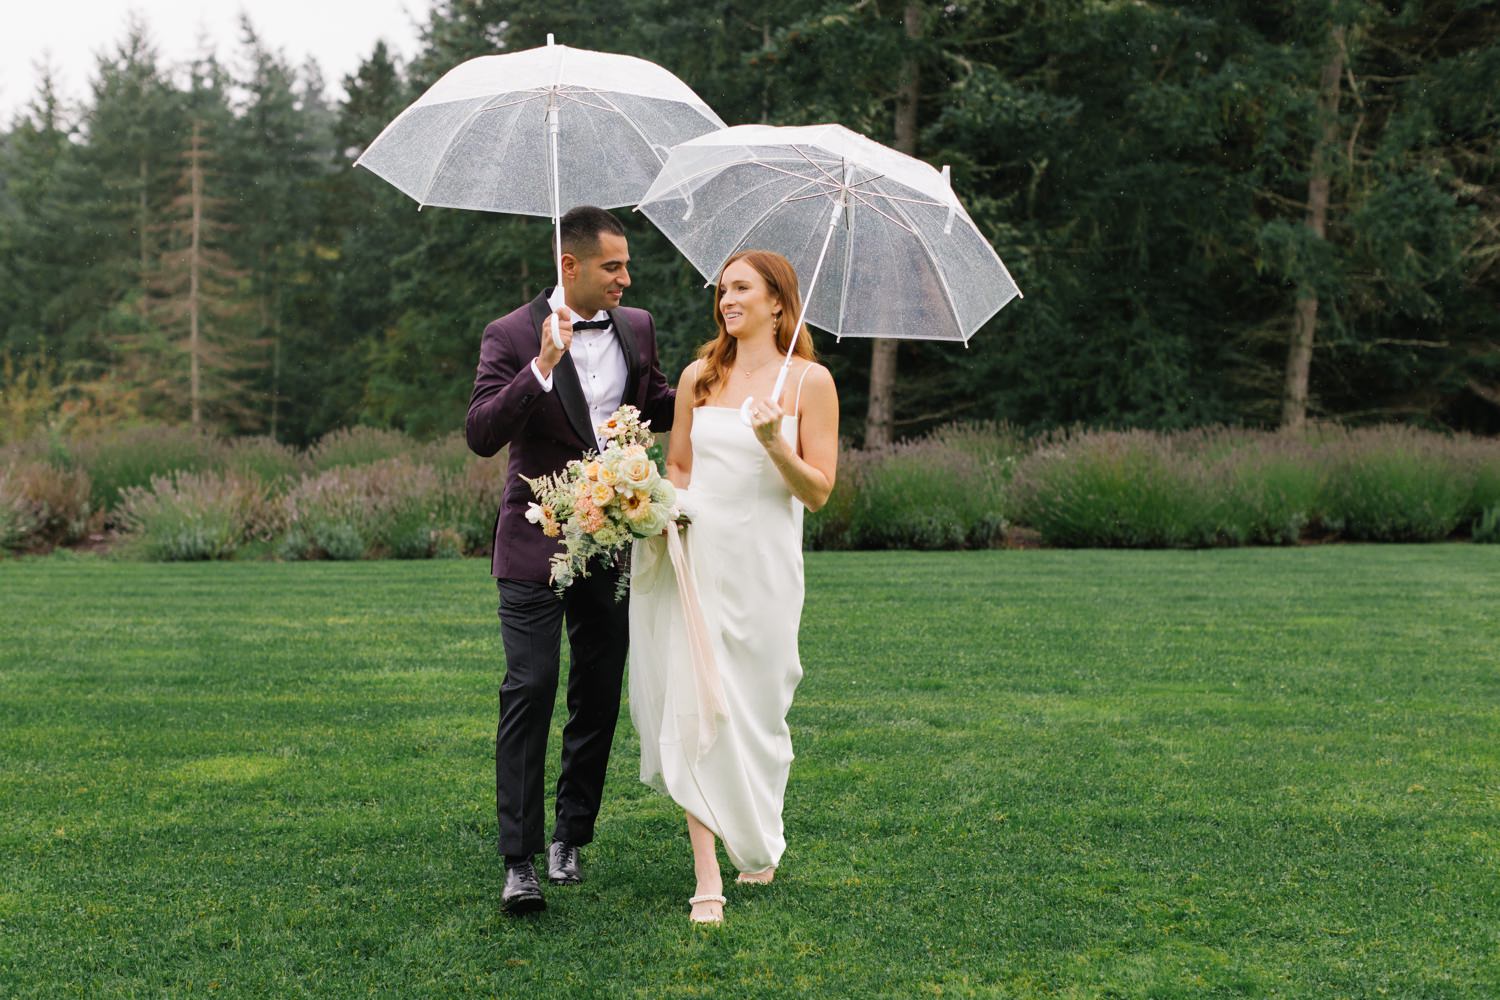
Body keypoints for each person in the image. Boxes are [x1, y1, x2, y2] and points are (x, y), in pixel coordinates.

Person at [465, 206, 676, 914]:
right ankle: (518, 860)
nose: (626, 277)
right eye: (613, 266)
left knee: (598, 689)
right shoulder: (510, 334)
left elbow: (660, 402)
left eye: (625, 266)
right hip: (532, 543)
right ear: (570, 266)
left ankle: (570, 836)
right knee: (530, 687)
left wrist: (731, 379)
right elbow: (481, 432)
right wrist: (539, 368)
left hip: (608, 542)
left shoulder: (638, 327)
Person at [627, 249, 839, 925]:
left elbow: (820, 490)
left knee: (760, 711)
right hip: (698, 555)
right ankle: (706, 878)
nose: (727, 300)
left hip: (767, 569)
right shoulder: (699, 376)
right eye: (723, 290)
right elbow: (681, 463)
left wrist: (777, 443)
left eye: (742, 288)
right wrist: (659, 512)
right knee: (698, 707)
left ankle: (755, 835)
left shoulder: (811, 384)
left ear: (780, 302)